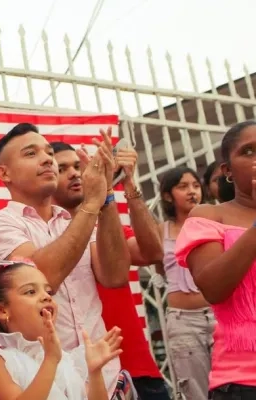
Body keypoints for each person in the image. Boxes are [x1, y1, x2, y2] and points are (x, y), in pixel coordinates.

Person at [0, 123, 130, 396]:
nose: (47, 159)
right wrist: (90, 204)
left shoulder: (75, 222)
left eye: (48, 152)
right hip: (39, 378)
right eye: (31, 153)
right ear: (3, 173)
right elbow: (45, 277)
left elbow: (115, 275)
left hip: (102, 373)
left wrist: (106, 196)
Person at [50, 142, 168, 399]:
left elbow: (154, 252)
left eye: (78, 167)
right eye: (62, 169)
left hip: (135, 364)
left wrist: (127, 184)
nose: (74, 174)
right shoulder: (44, 237)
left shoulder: (107, 225)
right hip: (84, 374)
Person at [176, 119, 256, 399]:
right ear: (227, 171)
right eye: (248, 151)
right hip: (244, 382)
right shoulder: (208, 217)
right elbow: (214, 288)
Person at [0, 259, 123, 400]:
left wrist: (95, 373)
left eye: (48, 292)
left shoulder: (67, 360)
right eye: (30, 292)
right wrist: (51, 360)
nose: (46, 297)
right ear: (2, 311)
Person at [155, 166, 215, 399]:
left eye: (195, 185)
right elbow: (159, 265)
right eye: (183, 186)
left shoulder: (213, 222)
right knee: (196, 391)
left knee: (235, 385)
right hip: (184, 322)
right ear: (168, 196)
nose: (192, 191)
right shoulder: (162, 230)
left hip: (219, 314)